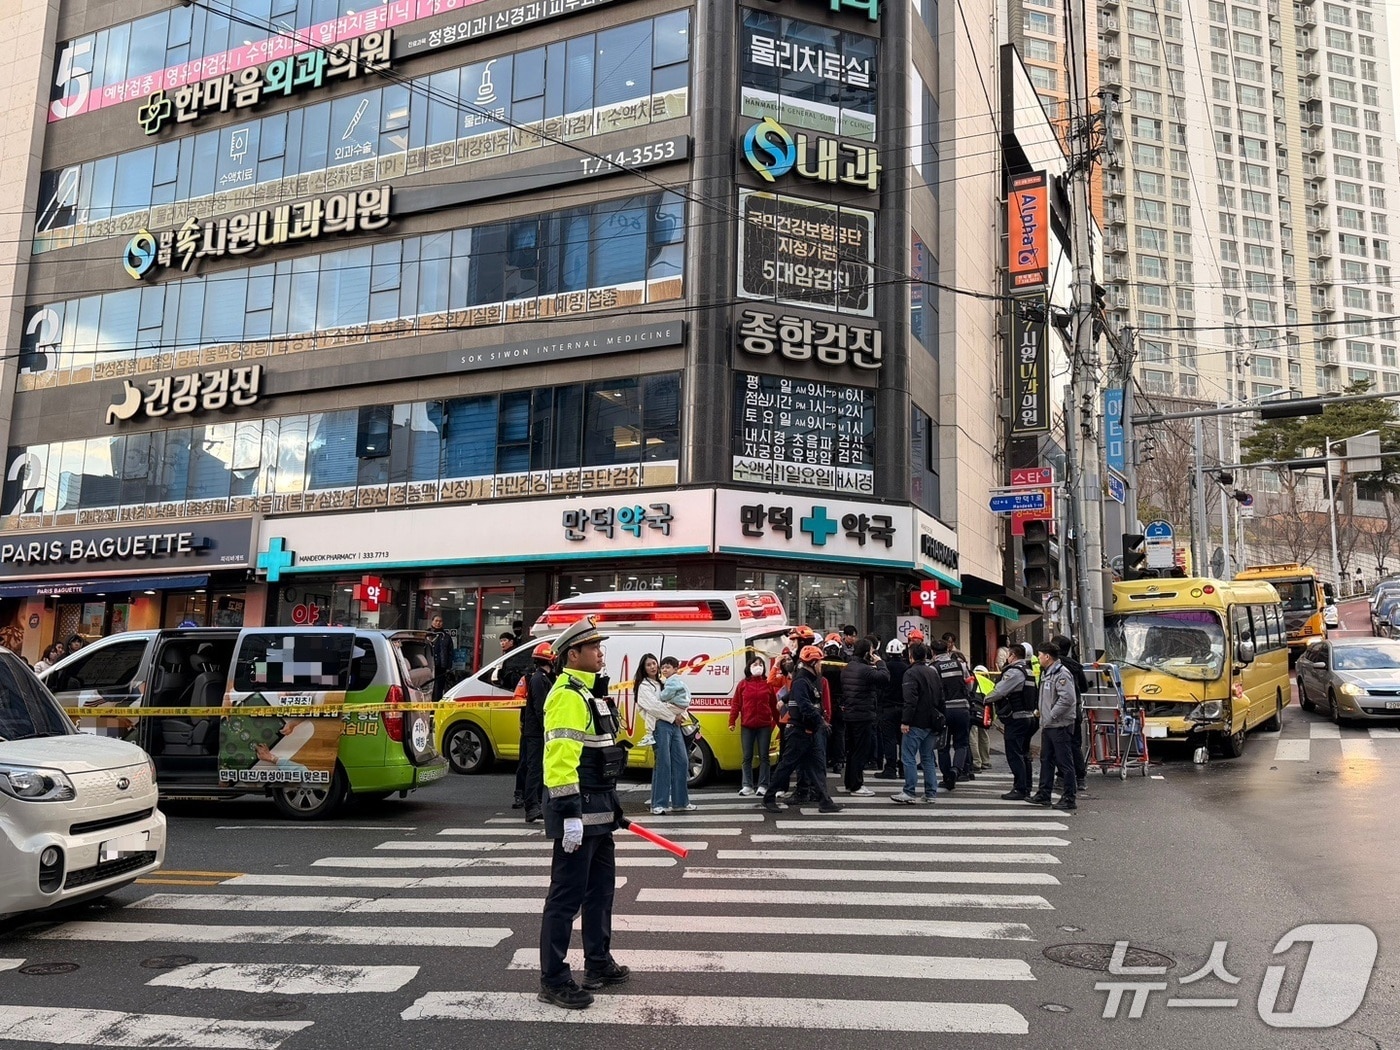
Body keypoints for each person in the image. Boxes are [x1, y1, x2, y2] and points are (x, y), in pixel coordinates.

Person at [538, 616, 630, 1010]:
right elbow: (560, 760)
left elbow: (603, 755)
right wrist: (569, 813)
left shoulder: (590, 694)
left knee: (600, 893)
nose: (599, 652)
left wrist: (614, 808)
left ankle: (597, 963)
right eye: (592, 647)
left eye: (599, 646)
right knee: (565, 898)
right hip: (578, 812)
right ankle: (553, 979)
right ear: (571, 654)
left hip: (599, 809)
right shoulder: (567, 696)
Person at [762, 645, 842, 814]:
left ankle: (825, 801)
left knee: (816, 767)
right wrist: (820, 721)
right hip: (799, 732)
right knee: (786, 766)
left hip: (809, 731)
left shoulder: (808, 680)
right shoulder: (802, 681)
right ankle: (769, 798)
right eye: (819, 661)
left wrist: (784, 699)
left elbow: (794, 696)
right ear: (812, 663)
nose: (821, 664)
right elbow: (805, 705)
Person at [639, 656, 695, 815]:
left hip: (674, 725)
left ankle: (681, 802)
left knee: (682, 761)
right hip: (660, 725)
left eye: (654, 664)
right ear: (643, 668)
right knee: (663, 763)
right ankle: (658, 803)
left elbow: (678, 698)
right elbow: (653, 707)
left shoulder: (664, 682)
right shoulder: (644, 686)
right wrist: (672, 717)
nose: (652, 667)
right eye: (648, 665)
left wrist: (680, 716)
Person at [890, 642, 945, 803]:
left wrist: (905, 721)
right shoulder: (932, 671)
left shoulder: (911, 673)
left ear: (911, 656)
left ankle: (909, 791)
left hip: (916, 721)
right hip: (933, 720)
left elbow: (910, 699)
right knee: (927, 757)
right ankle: (930, 793)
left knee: (908, 756)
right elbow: (941, 697)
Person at [1028, 641, 1079, 813]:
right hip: (1049, 724)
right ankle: (1044, 793)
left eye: (1040, 655)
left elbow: (1068, 699)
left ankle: (1069, 797)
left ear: (1047, 657)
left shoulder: (1061, 673)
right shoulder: (1048, 672)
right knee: (1046, 760)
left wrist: (1051, 715)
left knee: (1064, 762)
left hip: (1059, 725)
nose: (1038, 658)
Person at [985, 648, 1039, 799]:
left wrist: (985, 699)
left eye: (1008, 654)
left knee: (1014, 754)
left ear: (1013, 655)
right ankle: (1026, 787)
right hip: (1029, 717)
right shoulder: (1028, 670)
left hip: (1017, 718)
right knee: (1024, 753)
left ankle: (1020, 788)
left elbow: (999, 691)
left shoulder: (1014, 672)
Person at [838, 638, 887, 795]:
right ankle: (857, 785)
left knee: (852, 750)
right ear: (867, 653)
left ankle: (850, 782)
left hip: (850, 713)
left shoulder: (847, 668)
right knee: (861, 750)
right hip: (863, 714)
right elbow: (885, 678)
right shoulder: (865, 670)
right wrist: (880, 662)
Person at [729, 655, 781, 796]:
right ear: (749, 667)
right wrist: (732, 721)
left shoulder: (768, 684)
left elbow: (774, 705)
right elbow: (736, 704)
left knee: (764, 756)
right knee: (747, 757)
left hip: (764, 725)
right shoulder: (743, 684)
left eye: (760, 664)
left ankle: (763, 785)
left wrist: (779, 723)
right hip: (747, 725)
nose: (758, 666)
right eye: (754, 664)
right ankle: (747, 785)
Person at [514, 641, 554, 824]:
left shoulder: (541, 678)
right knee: (534, 769)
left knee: (538, 769)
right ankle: (532, 807)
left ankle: (536, 804)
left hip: (536, 731)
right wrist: (547, 728)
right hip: (536, 732)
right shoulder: (539, 679)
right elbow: (540, 707)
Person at [930, 638, 972, 790]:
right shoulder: (961, 665)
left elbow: (933, 692)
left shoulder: (933, 668)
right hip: (962, 709)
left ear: (933, 652)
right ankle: (956, 770)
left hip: (945, 711)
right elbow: (969, 685)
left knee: (943, 746)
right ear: (948, 651)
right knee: (962, 743)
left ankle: (947, 777)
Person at [1052, 633, 1090, 791]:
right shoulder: (1075, 666)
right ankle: (1081, 778)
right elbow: (1084, 687)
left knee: (1060, 745)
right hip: (1075, 710)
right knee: (1075, 744)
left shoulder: (1053, 666)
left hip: (1058, 710)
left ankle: (1062, 776)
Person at [876, 639, 909, 779]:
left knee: (889, 739)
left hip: (887, 707)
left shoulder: (884, 668)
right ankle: (903, 769)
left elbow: (879, 688)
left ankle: (890, 768)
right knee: (903, 740)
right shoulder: (907, 668)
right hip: (903, 708)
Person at [426, 616, 454, 701]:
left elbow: (450, 652)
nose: (438, 623)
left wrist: (448, 667)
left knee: (439, 688)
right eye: (436, 621)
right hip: (428, 666)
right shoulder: (426, 634)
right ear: (432, 622)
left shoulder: (446, 636)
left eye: (440, 621)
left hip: (441, 667)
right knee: (428, 688)